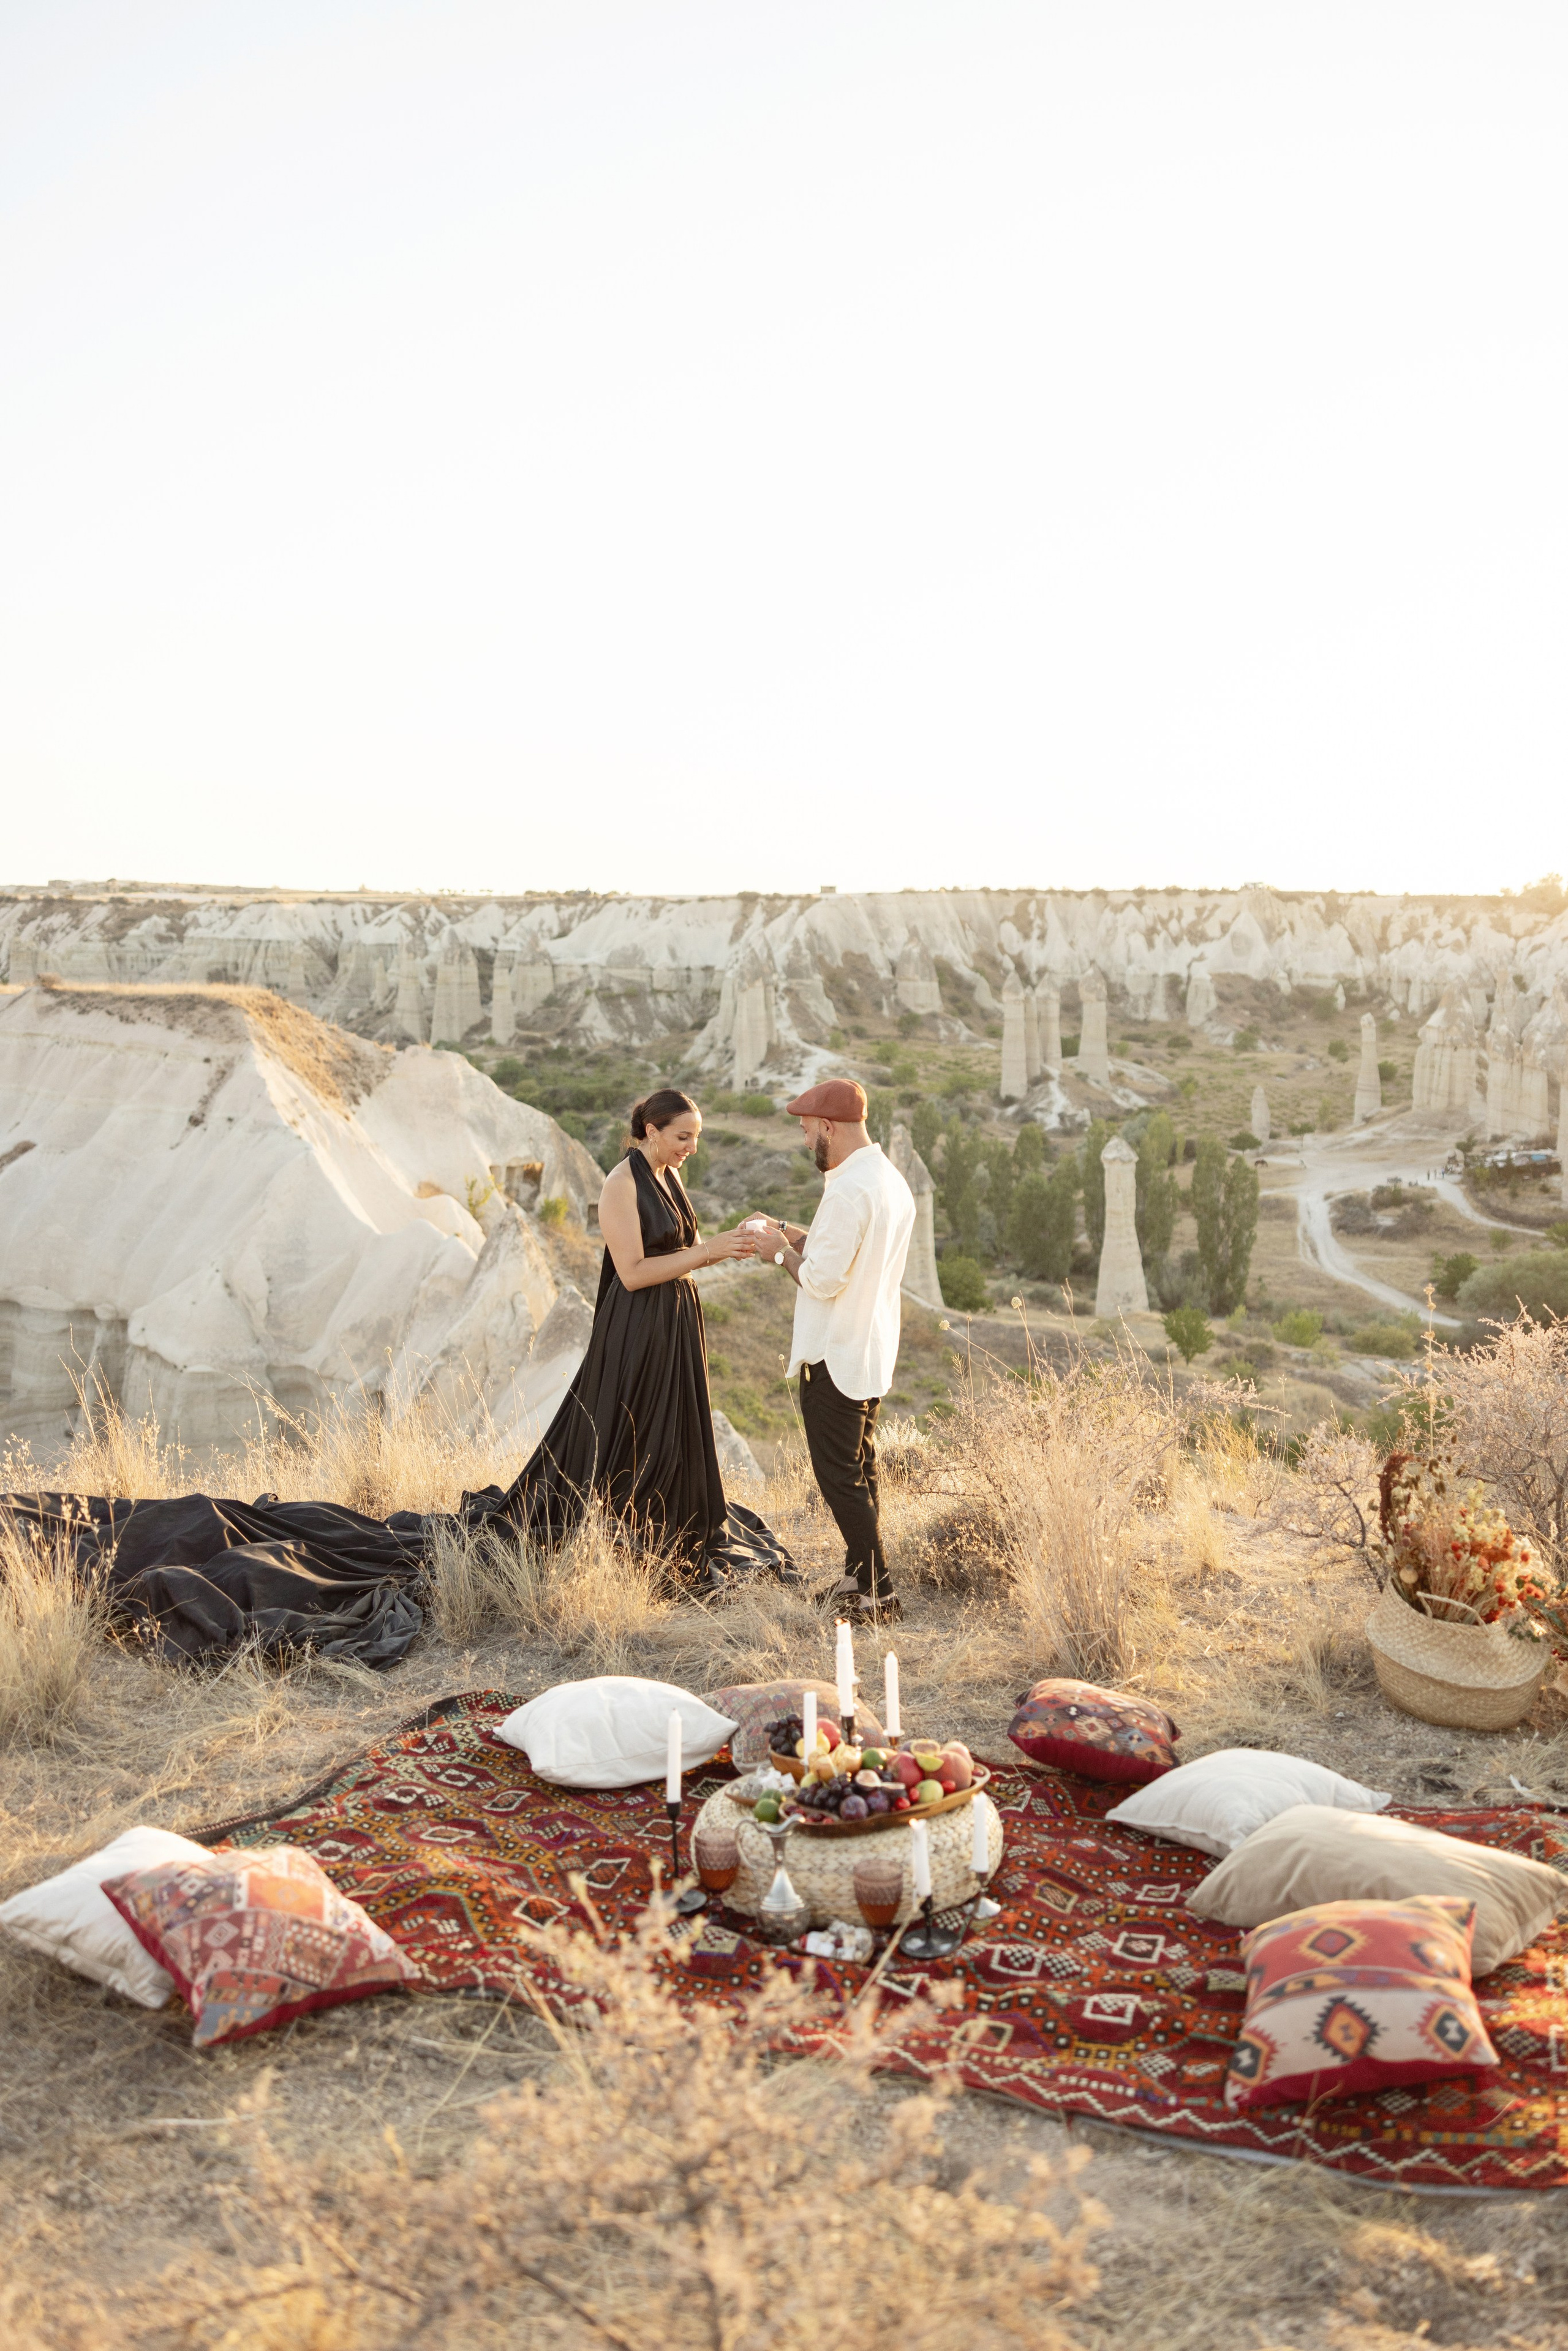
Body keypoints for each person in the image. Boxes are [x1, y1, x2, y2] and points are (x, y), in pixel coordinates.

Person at [477, 1089, 793, 1588]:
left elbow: (685, 1248)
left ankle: (669, 1520)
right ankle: (628, 1533)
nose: (691, 1147)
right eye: (683, 1137)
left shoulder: (670, 1175)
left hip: (678, 1321)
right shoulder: (620, 1184)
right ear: (651, 1131)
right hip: (640, 1325)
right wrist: (707, 1251)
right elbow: (633, 1273)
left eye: (696, 1137)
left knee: (673, 1428)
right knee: (638, 1430)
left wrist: (730, 1240)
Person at [750, 1079, 914, 1622]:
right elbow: (838, 1250)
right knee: (860, 1470)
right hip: (869, 1349)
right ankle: (858, 1578)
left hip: (835, 1354)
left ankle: (879, 1594)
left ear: (828, 1126)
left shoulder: (847, 1191)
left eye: (806, 1130)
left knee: (839, 1478)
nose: (804, 1141)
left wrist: (779, 1253)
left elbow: (821, 1279)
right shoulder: (887, 1180)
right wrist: (783, 1231)